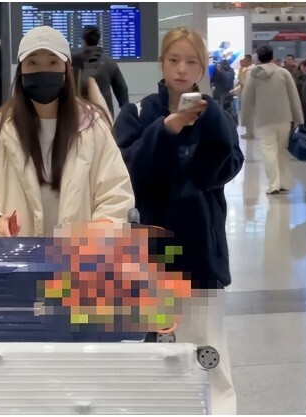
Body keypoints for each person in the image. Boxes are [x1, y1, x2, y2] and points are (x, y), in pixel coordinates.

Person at [113, 26, 244, 415]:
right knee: (151, 347)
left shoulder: (216, 117)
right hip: (150, 252)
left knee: (208, 347)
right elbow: (124, 171)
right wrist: (166, 130)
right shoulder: (139, 113)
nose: (181, 69)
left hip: (200, 250)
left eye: (191, 62)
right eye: (174, 60)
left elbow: (227, 167)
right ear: (162, 63)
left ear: (202, 68)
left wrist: (208, 120)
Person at [0, 25, 135, 239]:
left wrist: (100, 231)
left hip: (78, 258)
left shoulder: (94, 129)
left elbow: (117, 198)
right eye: (32, 63)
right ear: (21, 71)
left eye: (53, 62)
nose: (43, 71)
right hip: (14, 257)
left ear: (67, 69)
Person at [241, 45, 304, 195]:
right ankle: (284, 182)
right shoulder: (283, 73)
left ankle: (274, 184)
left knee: (268, 150)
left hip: (263, 120)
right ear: (272, 55)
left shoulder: (254, 75)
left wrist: (244, 119)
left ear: (258, 57)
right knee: (282, 150)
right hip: (284, 118)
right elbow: (294, 96)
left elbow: (247, 98)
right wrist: (298, 117)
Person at [72, 25, 130, 117]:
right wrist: (126, 110)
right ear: (98, 41)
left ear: (83, 41)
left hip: (78, 116)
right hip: (104, 116)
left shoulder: (72, 61)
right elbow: (122, 88)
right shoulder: (109, 62)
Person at [231, 54, 256, 139]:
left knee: (249, 115)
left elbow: (246, 84)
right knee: (248, 114)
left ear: (248, 61)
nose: (242, 62)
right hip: (246, 95)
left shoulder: (250, 71)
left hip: (250, 96)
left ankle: (251, 133)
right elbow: (242, 84)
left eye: (244, 60)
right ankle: (250, 132)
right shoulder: (245, 70)